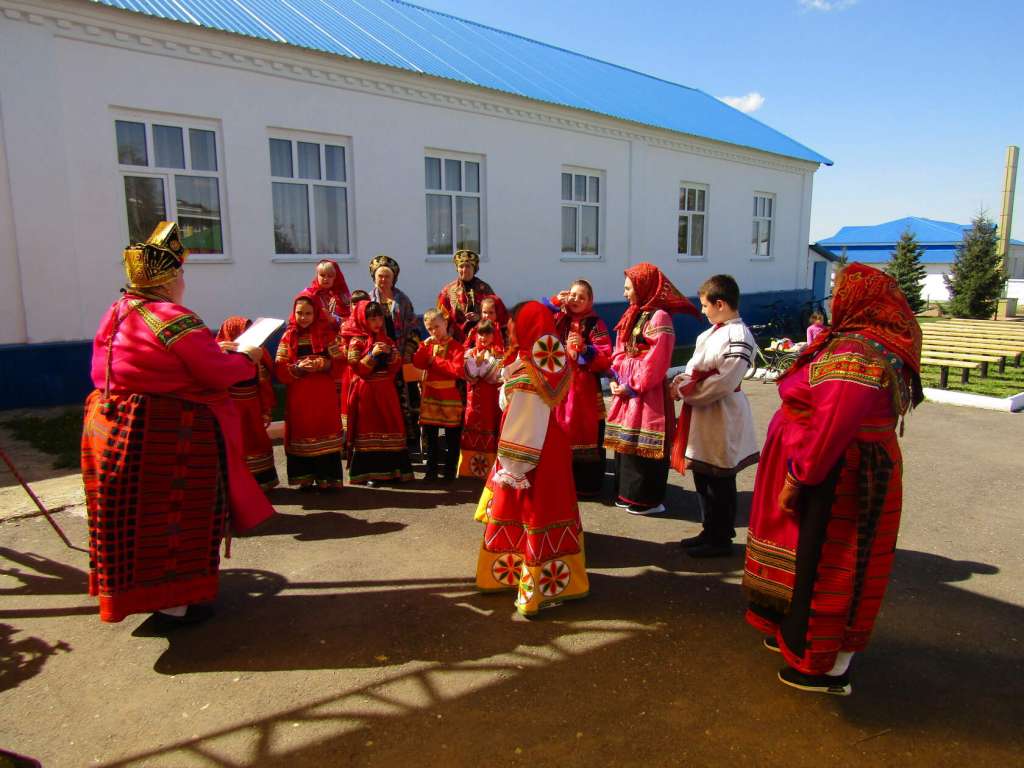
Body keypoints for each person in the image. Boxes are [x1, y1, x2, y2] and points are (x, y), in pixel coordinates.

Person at [81, 221, 274, 625]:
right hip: (166, 432)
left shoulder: (118, 310)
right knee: (177, 517)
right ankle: (176, 601)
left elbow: (159, 360)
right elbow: (215, 373)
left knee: (128, 517)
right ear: (169, 281)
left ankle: (144, 595)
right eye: (182, 274)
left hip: (113, 424)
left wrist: (216, 349)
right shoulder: (172, 316)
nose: (184, 282)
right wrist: (247, 358)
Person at [743, 263, 923, 696]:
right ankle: (794, 635)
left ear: (859, 298)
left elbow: (832, 426)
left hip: (841, 476)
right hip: (837, 466)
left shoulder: (857, 352)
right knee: (806, 559)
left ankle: (825, 666)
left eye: (841, 289)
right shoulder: (858, 341)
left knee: (833, 566)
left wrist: (798, 478)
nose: (835, 295)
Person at [474, 301, 588, 617]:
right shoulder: (549, 362)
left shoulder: (529, 373)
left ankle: (530, 587)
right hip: (552, 451)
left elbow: (522, 423)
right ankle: (557, 580)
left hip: (528, 455)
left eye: (513, 323)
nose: (509, 328)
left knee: (531, 512)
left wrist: (512, 468)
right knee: (551, 512)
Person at [669, 275, 759, 557]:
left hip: (721, 415)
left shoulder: (738, 336)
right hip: (703, 414)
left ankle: (720, 538)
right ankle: (709, 530)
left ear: (720, 304)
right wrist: (682, 380)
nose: (703, 310)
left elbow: (723, 382)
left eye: (705, 305)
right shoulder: (712, 333)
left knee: (720, 478)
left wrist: (685, 391)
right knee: (704, 475)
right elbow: (696, 368)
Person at [605, 263, 699, 514]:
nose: (624, 293)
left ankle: (646, 499)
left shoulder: (660, 317)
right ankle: (627, 493)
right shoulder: (632, 313)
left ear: (644, 287)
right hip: (626, 389)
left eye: (629, 288)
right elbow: (619, 349)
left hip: (647, 394)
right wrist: (615, 377)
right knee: (627, 446)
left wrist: (633, 385)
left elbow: (658, 358)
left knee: (644, 445)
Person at [544, 279, 613, 498]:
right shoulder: (558, 317)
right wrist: (554, 301)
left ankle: (587, 486)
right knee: (558, 434)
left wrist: (585, 348)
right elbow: (536, 322)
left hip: (584, 391)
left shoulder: (595, 324)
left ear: (590, 301)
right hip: (559, 387)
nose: (575, 300)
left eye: (581, 297)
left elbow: (605, 357)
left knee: (586, 433)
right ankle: (561, 481)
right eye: (572, 295)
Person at [275, 293, 346, 490]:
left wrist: (324, 363)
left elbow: (340, 362)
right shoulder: (288, 336)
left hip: (323, 395)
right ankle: (304, 479)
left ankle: (328, 479)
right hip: (300, 395)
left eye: (308, 313)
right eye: (299, 313)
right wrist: (298, 368)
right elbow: (280, 367)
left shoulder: (327, 335)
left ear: (316, 313)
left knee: (325, 430)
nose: (303, 317)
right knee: (302, 431)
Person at [342, 300, 413, 485]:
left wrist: (390, 354)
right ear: (362, 319)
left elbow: (395, 367)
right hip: (367, 392)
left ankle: (394, 471)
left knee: (391, 426)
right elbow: (357, 368)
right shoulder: (356, 341)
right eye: (372, 318)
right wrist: (372, 355)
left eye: (379, 317)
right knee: (369, 429)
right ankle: (370, 474)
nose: (377, 322)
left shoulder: (387, 339)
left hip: (386, 390)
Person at [216, 316, 280, 491]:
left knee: (256, 440)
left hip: (252, 405)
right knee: (236, 444)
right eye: (240, 332)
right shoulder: (217, 355)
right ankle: (238, 485)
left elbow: (264, 382)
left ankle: (262, 481)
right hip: (231, 408)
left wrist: (265, 408)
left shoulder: (257, 353)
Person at [368, 254, 419, 454]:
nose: (383, 280)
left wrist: (406, 352)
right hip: (377, 358)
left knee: (405, 398)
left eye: (387, 276)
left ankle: (408, 440)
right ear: (374, 277)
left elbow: (414, 328)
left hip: (400, 356)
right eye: (380, 276)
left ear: (393, 279)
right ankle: (381, 441)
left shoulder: (403, 300)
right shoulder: (368, 301)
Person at [412, 308, 465, 481]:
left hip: (450, 397)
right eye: (429, 329)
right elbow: (418, 362)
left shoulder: (456, 347)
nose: (434, 331)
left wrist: (434, 361)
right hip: (430, 398)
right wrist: (423, 347)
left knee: (452, 438)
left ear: (445, 323)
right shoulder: (428, 345)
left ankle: (450, 471)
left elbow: (456, 370)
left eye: (436, 326)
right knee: (431, 437)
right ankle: (431, 470)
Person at [457, 320, 503, 479]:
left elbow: (494, 376)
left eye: (488, 333)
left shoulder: (498, 353)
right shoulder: (469, 353)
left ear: (494, 335)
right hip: (474, 398)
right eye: (480, 333)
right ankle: (467, 469)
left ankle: (490, 469)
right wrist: (476, 364)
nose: (483, 337)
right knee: (471, 422)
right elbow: (469, 376)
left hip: (491, 399)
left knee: (490, 423)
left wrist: (481, 365)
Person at [436, 249, 507, 342]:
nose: (464, 270)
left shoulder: (485, 289)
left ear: (474, 269)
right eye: (461, 266)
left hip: (482, 339)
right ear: (457, 268)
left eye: (468, 266)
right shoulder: (447, 291)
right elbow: (439, 318)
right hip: (455, 341)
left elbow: (498, 315)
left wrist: (480, 317)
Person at [307, 258, 352, 326]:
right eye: (322, 275)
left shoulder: (343, 296)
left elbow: (352, 320)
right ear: (317, 276)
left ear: (335, 277)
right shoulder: (310, 294)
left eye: (330, 276)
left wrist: (334, 318)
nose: (326, 279)